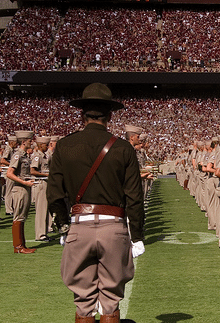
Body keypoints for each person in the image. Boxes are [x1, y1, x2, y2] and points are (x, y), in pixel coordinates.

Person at [47, 83, 145, 323]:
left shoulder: (64, 145)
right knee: (110, 300)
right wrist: (138, 235)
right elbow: (134, 197)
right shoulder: (123, 148)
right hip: (114, 227)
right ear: (110, 115)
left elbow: (54, 194)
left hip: (79, 226)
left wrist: (62, 225)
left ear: (82, 114)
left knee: (83, 302)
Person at [7, 131, 36, 254]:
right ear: (24, 142)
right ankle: (18, 247)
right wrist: (24, 183)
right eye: (30, 141)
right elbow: (9, 173)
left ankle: (22, 245)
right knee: (18, 216)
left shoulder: (24, 155)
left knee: (22, 216)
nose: (32, 142)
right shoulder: (17, 155)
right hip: (19, 188)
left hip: (25, 188)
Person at [31, 136, 53, 241]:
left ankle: (44, 232)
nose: (47, 146)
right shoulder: (37, 156)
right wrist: (45, 174)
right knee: (41, 210)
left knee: (46, 209)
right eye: (46, 145)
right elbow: (32, 171)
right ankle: (40, 235)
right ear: (40, 145)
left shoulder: (45, 156)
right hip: (40, 184)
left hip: (46, 183)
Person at [1, 135, 18, 217]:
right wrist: (12, 164)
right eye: (16, 142)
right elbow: (3, 160)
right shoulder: (8, 149)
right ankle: (8, 209)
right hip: (8, 172)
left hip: (10, 172)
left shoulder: (11, 149)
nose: (17, 144)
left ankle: (10, 208)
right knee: (9, 191)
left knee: (11, 191)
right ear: (12, 142)